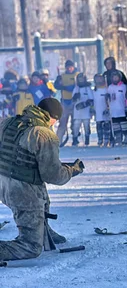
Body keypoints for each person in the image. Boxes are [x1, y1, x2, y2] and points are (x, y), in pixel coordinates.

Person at [0, 98, 84, 261]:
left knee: (40, 192)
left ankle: (43, 230)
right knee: (30, 247)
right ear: (52, 117)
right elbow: (52, 175)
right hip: (22, 192)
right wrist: (71, 171)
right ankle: (35, 236)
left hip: (3, 183)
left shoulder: (9, 122)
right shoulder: (43, 134)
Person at [54, 60, 79, 146]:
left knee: (75, 122)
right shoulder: (62, 76)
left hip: (74, 101)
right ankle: (58, 140)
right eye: (67, 67)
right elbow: (56, 86)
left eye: (71, 67)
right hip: (65, 101)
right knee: (62, 123)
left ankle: (75, 138)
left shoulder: (77, 75)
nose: (69, 68)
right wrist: (58, 83)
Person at [71, 74, 94, 146]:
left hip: (86, 110)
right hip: (77, 110)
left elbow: (91, 99)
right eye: (79, 79)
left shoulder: (88, 88)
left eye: (82, 78)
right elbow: (73, 100)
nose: (81, 80)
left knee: (86, 125)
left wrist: (86, 104)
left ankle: (87, 138)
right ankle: (75, 138)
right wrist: (75, 97)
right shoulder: (76, 88)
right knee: (76, 125)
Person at [107, 73, 127, 146]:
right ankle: (118, 138)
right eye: (114, 78)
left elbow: (126, 98)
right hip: (113, 110)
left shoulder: (123, 87)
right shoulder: (110, 87)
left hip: (121, 109)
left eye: (116, 77)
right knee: (116, 126)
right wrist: (107, 97)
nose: (115, 79)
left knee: (123, 126)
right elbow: (108, 97)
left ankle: (126, 137)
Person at [92, 74, 112, 147]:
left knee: (106, 126)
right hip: (98, 110)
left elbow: (111, 99)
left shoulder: (106, 89)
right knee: (99, 126)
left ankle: (107, 139)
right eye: (97, 79)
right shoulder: (94, 91)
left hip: (105, 109)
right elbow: (92, 101)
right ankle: (100, 140)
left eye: (100, 78)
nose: (99, 80)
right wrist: (92, 109)